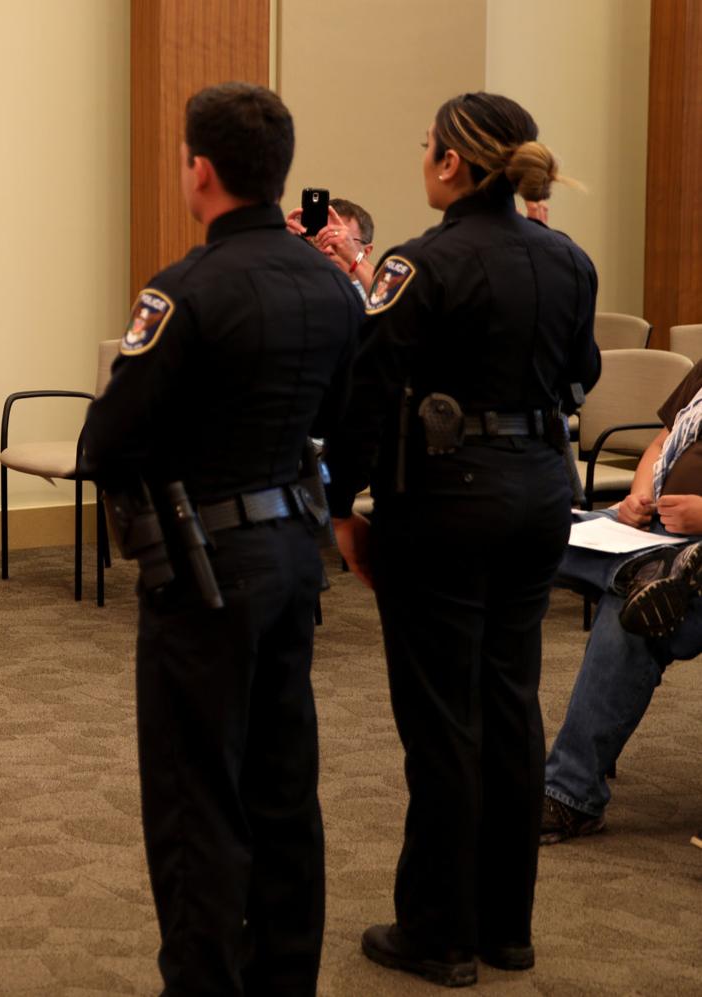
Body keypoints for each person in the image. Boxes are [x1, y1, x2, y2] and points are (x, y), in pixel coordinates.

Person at [81, 82, 361, 995]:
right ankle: (284, 978)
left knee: (196, 793)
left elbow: (107, 444)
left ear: (199, 171)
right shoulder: (332, 284)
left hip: (205, 569)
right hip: (294, 552)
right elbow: (345, 420)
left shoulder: (183, 290)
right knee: (284, 786)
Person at [323, 92, 600, 986]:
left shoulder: (419, 263)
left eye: (426, 146)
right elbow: (583, 373)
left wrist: (340, 506)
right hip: (540, 496)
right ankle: (505, 927)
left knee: (444, 721)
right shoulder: (569, 258)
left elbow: (368, 394)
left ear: (450, 162)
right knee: (512, 707)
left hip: (444, 503)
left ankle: (438, 932)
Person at [542, 357, 702, 844]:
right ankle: (639, 567)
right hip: (651, 535)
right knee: (532, 535)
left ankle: (570, 795)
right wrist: (638, 496)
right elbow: (660, 443)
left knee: (634, 614)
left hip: (694, 558)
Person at [286, 197, 377, 301]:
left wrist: (355, 260)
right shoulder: (296, 288)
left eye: (341, 240)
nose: (328, 249)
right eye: (321, 238)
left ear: (366, 251)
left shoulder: (376, 297)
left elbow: (389, 296)